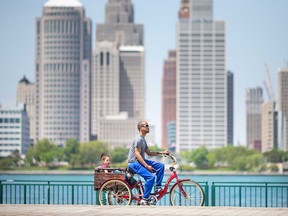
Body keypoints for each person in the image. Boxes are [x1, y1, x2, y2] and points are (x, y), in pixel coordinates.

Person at [127, 121, 170, 205]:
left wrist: (162, 153)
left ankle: (158, 187)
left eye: (148, 126)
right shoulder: (138, 139)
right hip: (134, 163)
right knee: (151, 178)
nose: (148, 127)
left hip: (141, 161)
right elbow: (137, 153)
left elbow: (149, 153)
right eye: (146, 126)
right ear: (141, 128)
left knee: (160, 166)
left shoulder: (143, 139)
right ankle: (144, 199)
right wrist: (147, 166)